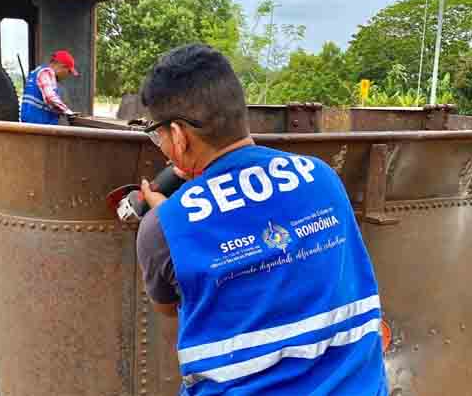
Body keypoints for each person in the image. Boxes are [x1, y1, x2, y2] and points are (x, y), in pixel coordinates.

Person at [136, 44, 387, 395]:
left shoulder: (166, 227)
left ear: (178, 135)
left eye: (157, 133)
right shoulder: (323, 178)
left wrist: (171, 213)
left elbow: (166, 306)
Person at [20, 49, 79, 125]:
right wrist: (67, 112)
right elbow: (50, 97)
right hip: (39, 123)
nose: (67, 75)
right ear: (62, 67)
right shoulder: (46, 72)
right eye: (69, 71)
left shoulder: (36, 72)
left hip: (31, 121)